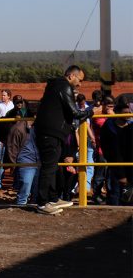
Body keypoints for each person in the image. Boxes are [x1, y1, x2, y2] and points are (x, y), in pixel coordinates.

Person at [33, 66, 92, 215]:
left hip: (52, 133)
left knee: (53, 167)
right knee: (48, 167)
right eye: (80, 80)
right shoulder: (63, 86)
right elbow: (75, 112)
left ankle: (52, 198)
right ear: (72, 76)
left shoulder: (56, 85)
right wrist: (91, 112)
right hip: (50, 133)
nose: (80, 84)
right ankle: (42, 203)